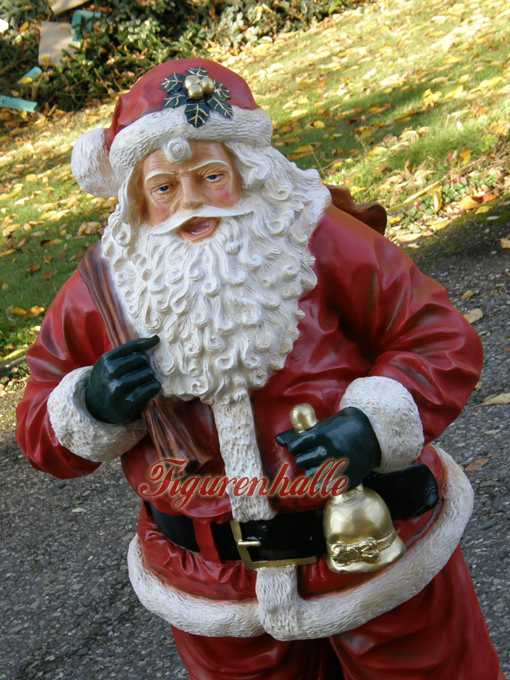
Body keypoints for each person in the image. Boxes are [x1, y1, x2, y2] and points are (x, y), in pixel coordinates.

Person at [16, 58, 505, 679]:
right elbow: (39, 421)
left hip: (375, 552)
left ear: (246, 170)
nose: (190, 202)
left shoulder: (315, 235)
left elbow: (437, 336)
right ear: (136, 197)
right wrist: (89, 405)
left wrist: (371, 424)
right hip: (212, 585)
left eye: (211, 176)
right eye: (164, 188)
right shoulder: (105, 287)